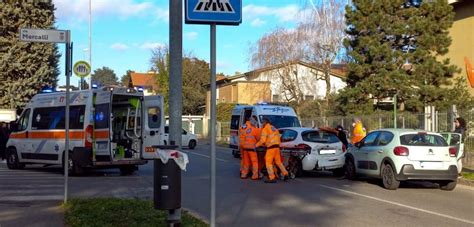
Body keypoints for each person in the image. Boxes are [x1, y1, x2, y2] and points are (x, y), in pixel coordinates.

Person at [256, 118, 288, 183]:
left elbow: (263, 140)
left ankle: (271, 178)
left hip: (271, 148)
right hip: (277, 147)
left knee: (268, 163)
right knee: (278, 162)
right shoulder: (274, 128)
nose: (262, 124)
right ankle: (285, 173)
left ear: (265, 122)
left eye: (263, 122)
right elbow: (278, 138)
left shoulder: (265, 129)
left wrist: (256, 145)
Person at [241, 116, 261, 180]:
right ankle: (255, 175)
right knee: (254, 162)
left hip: (244, 148)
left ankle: (244, 174)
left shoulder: (244, 127)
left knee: (246, 162)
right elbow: (259, 138)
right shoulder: (255, 129)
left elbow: (242, 137)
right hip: (252, 148)